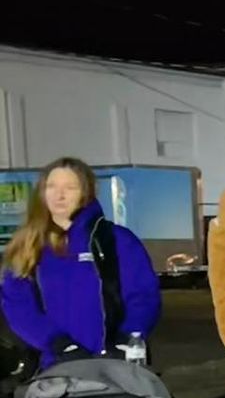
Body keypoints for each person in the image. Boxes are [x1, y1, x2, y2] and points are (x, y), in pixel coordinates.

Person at [2, 156, 161, 369]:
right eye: (52, 187)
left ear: (85, 193)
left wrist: (129, 337)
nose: (60, 195)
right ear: (42, 192)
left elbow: (143, 295)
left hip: (117, 364)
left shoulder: (116, 240)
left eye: (70, 187)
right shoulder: (27, 246)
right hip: (56, 365)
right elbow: (19, 307)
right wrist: (59, 344)